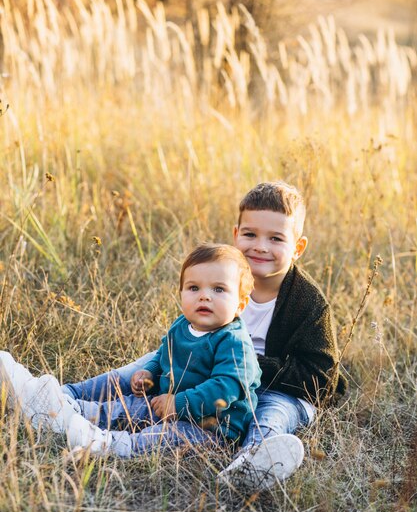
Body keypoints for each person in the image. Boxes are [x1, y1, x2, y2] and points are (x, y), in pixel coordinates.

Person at [61, 181, 347, 488]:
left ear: (297, 248)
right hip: (213, 370)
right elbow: (184, 338)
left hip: (283, 389)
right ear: (236, 235)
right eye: (250, 234)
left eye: (276, 238)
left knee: (272, 415)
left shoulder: (308, 302)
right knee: (146, 364)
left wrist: (245, 364)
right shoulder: (221, 280)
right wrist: (161, 368)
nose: (260, 246)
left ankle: (253, 461)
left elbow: (322, 378)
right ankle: (66, 397)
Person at [0, 244, 263, 460]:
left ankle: (109, 445)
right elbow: (164, 356)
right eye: (194, 288)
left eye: (219, 289)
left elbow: (225, 387)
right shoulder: (182, 325)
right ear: (181, 293)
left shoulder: (234, 342)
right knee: (126, 409)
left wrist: (179, 403)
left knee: (164, 438)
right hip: (166, 403)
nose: (204, 296)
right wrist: (149, 371)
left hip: (212, 427)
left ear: (240, 304)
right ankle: (61, 409)